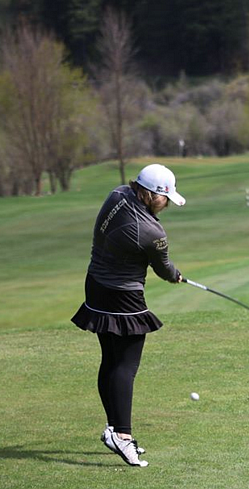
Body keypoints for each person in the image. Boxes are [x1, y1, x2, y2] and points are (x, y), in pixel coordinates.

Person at [71, 164, 185, 467]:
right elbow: (163, 268)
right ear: (149, 195)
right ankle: (122, 436)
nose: (168, 204)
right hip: (123, 295)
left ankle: (114, 428)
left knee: (110, 359)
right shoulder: (152, 232)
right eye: (165, 198)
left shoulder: (117, 194)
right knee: (126, 365)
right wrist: (175, 275)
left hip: (96, 284)